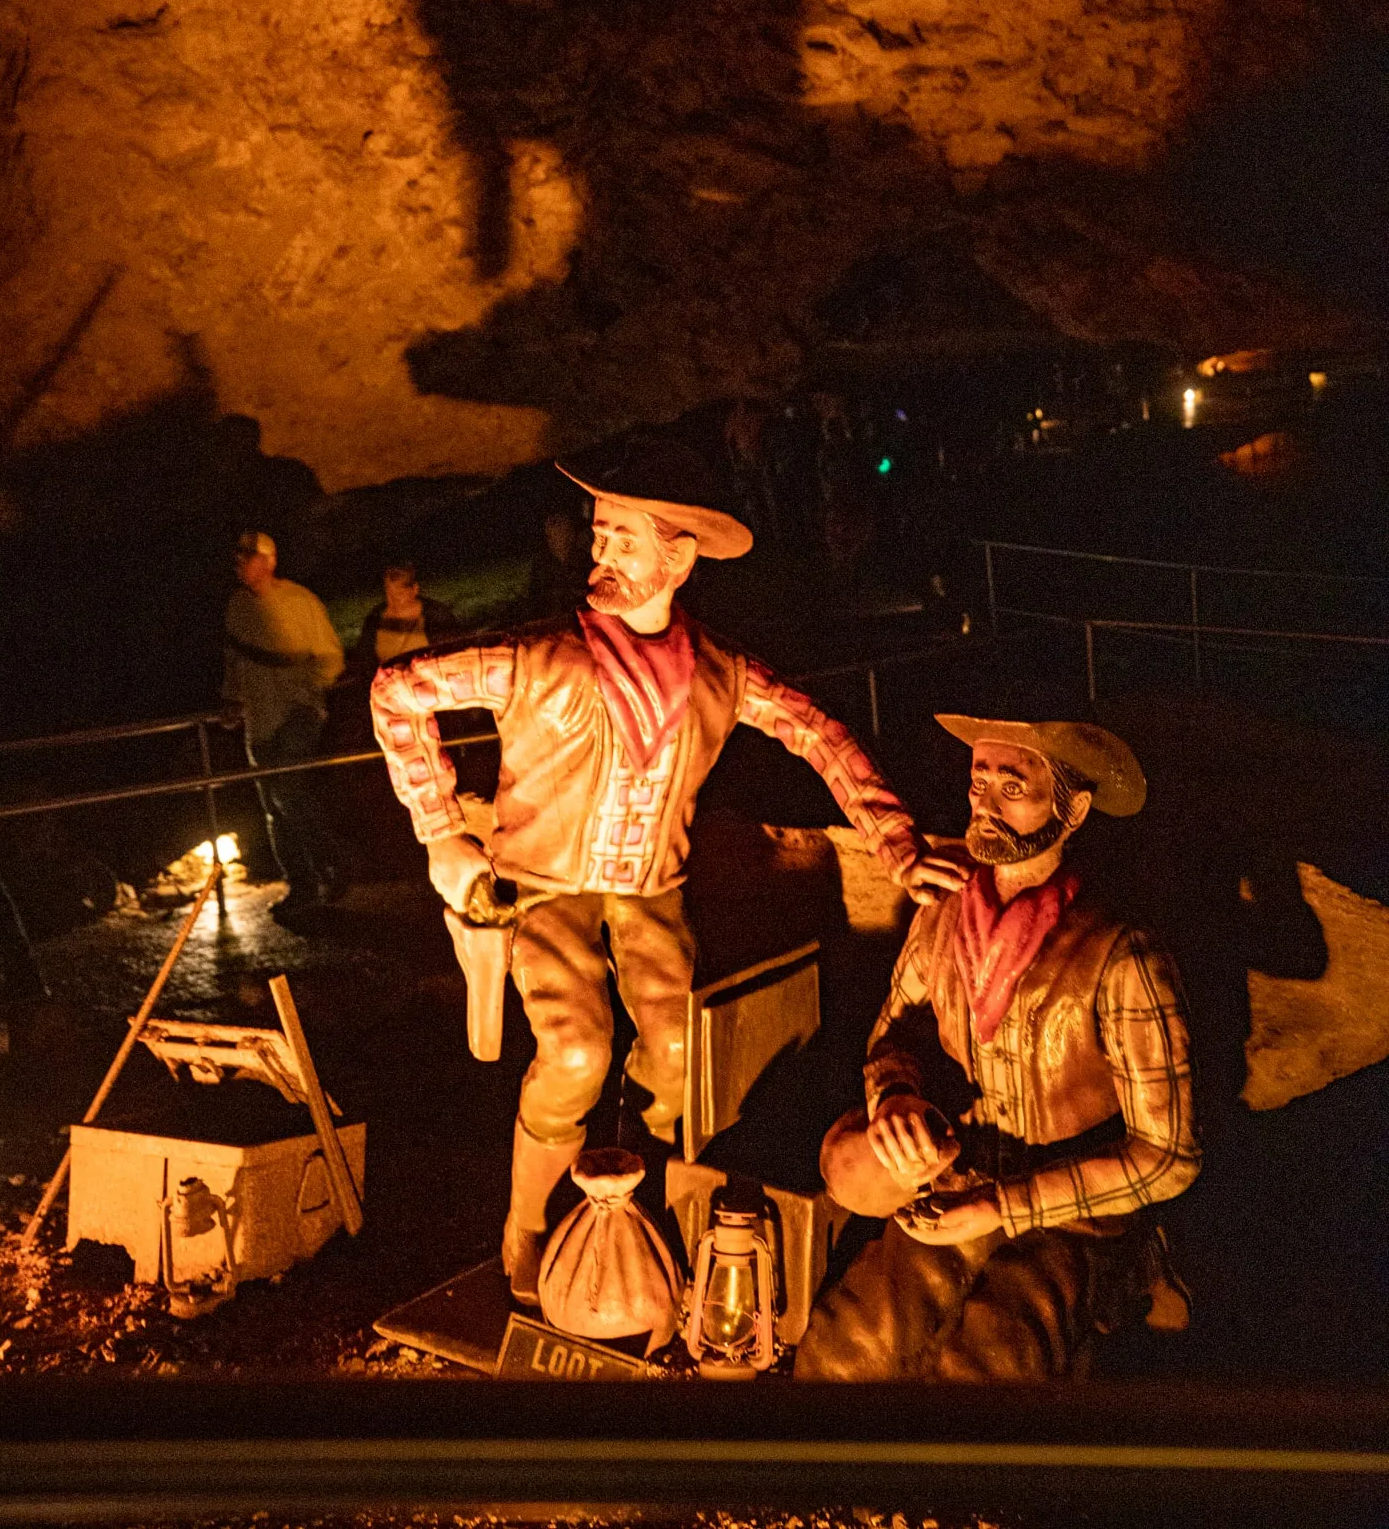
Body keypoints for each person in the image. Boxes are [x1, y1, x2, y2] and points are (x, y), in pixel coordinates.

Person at [370, 439, 964, 1298]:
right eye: (599, 534)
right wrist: (440, 833)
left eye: (623, 539)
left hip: (653, 887)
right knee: (575, 1051)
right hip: (543, 882)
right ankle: (529, 1220)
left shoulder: (721, 674)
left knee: (681, 1052)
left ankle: (620, 1201)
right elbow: (397, 692)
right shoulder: (541, 657)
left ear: (679, 558)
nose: (599, 553)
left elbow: (819, 735)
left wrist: (897, 844)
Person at [796, 715, 1200, 1382]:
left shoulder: (1119, 953)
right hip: (958, 1185)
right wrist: (894, 1095)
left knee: (980, 1375)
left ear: (1072, 809)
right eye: (978, 781)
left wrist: (1006, 1207)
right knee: (841, 1357)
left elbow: (1168, 1157)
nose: (984, 804)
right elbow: (894, 1033)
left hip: (1074, 1224)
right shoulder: (943, 912)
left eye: (1012, 787)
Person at [223, 531, 347, 918]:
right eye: (239, 558)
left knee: (288, 793)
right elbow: (235, 660)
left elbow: (330, 655)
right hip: (259, 717)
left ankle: (333, 861)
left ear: (269, 561)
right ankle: (303, 883)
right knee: (273, 807)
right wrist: (231, 698)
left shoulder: (299, 601)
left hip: (297, 712)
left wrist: (311, 694)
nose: (241, 564)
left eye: (249, 557)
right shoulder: (238, 607)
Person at [349, 563, 461, 689]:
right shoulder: (375, 619)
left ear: (414, 589)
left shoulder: (435, 615)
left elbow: (451, 655)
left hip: (431, 687)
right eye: (389, 594)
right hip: (390, 689)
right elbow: (365, 660)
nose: (393, 601)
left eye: (399, 594)